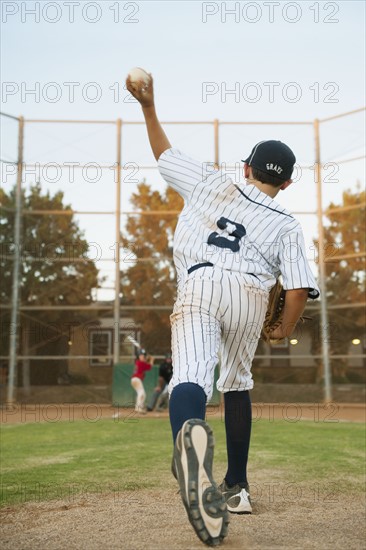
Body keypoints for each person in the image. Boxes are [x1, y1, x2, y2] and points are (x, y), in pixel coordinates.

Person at [126, 74, 320, 546]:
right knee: (237, 382)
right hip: (251, 296)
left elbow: (164, 154)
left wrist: (149, 106)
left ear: (246, 167)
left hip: (201, 281)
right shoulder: (288, 223)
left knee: (191, 375)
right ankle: (238, 486)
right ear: (288, 181)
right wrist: (281, 330)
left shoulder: (213, 182)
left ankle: (189, 448)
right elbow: (296, 290)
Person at [130, 349, 153, 414]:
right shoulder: (140, 363)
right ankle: (139, 408)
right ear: (138, 356)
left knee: (141, 393)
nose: (143, 357)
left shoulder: (138, 362)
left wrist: (147, 358)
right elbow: (149, 367)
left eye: (143, 356)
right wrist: (151, 360)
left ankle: (139, 407)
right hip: (137, 379)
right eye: (141, 356)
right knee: (142, 393)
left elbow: (145, 363)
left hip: (134, 380)